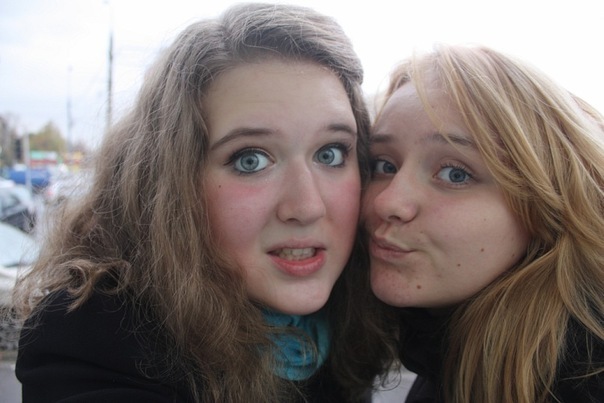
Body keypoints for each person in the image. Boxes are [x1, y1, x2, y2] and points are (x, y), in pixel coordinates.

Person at [12, 3, 395, 402]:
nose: (307, 206)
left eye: (331, 153)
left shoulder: (345, 325)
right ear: (172, 186)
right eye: (251, 160)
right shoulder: (95, 342)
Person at [363, 44, 604, 403]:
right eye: (384, 165)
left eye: (455, 173)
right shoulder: (444, 345)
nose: (386, 202)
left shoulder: (583, 379)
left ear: (547, 207)